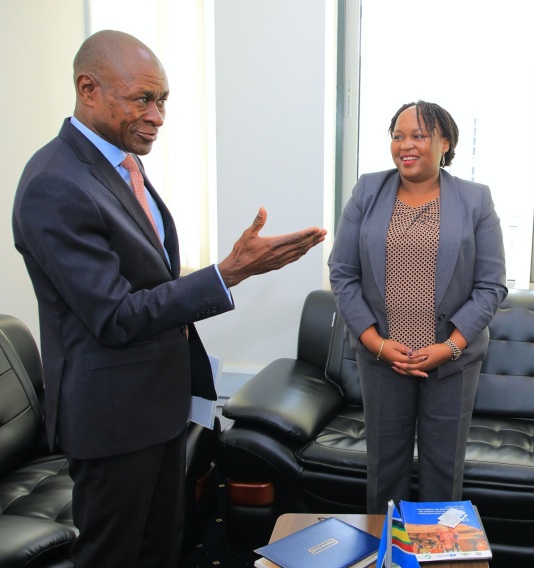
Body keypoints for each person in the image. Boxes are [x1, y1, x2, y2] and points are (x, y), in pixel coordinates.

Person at [12, 30, 326, 568]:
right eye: (142, 99)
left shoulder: (122, 165)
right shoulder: (54, 182)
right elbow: (113, 316)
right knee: (114, 556)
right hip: (111, 417)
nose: (157, 115)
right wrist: (228, 273)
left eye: (163, 101)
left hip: (155, 404)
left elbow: (148, 277)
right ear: (88, 88)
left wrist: (228, 274)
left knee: (164, 547)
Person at [328, 100, 506, 514]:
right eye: (398, 136)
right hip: (383, 360)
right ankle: (387, 555)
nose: (406, 145)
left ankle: (435, 559)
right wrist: (376, 343)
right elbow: (343, 273)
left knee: (443, 474)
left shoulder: (475, 200)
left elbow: (490, 285)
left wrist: (450, 347)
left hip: (451, 364)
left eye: (419, 136)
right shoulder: (367, 191)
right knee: (384, 472)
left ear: (445, 142)